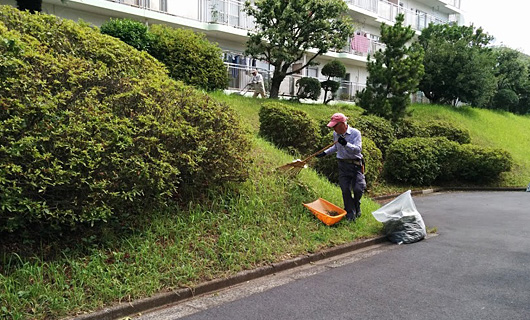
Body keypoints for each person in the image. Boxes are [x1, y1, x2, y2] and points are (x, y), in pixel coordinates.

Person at [316, 113, 366, 221]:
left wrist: (346, 144)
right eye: (333, 126)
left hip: (356, 165)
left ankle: (356, 205)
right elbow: (336, 147)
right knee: (345, 190)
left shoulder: (355, 133)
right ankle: (350, 214)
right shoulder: (336, 134)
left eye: (335, 126)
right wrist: (325, 153)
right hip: (343, 165)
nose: (334, 129)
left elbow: (358, 149)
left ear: (342, 124)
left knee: (359, 189)